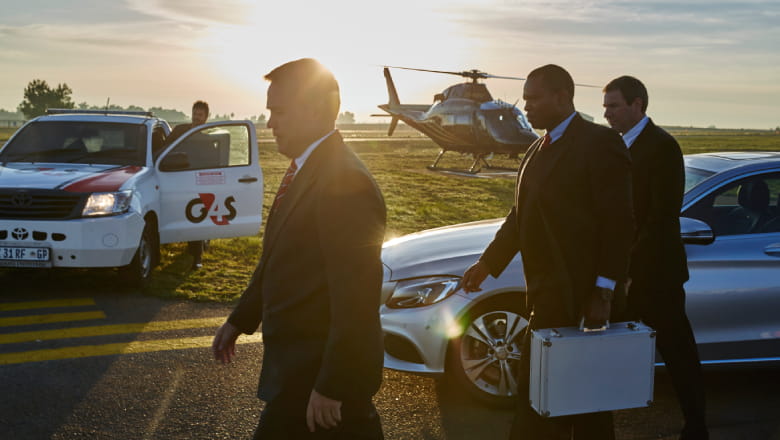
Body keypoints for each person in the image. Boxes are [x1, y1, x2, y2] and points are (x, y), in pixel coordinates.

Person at [211, 58, 386, 439]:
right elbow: (279, 257)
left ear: (313, 111)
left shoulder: (345, 183)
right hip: (300, 373)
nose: (270, 122)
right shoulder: (307, 169)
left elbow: (356, 296)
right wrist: (241, 319)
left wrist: (334, 385)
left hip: (319, 379)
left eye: (279, 111)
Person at [462, 64, 634, 440]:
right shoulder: (537, 149)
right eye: (526, 99)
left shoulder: (598, 143)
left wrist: (603, 290)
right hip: (546, 296)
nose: (528, 107)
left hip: (582, 299)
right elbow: (520, 216)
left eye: (535, 99)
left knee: (584, 406)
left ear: (562, 97)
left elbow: (619, 224)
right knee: (545, 399)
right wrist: (488, 263)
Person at [603, 76, 708, 440]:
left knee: (679, 356)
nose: (606, 113)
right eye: (606, 106)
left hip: (656, 276)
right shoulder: (614, 146)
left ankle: (697, 427)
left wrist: (627, 272)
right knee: (600, 351)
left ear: (637, 105)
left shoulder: (663, 147)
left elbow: (660, 218)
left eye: (614, 106)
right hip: (622, 275)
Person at [167, 100, 211, 269]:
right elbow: (166, 148)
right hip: (177, 178)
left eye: (200, 115)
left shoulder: (208, 137)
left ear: (206, 118)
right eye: (194, 113)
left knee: (197, 215)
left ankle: (197, 256)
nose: (196, 117)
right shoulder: (180, 131)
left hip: (199, 180)